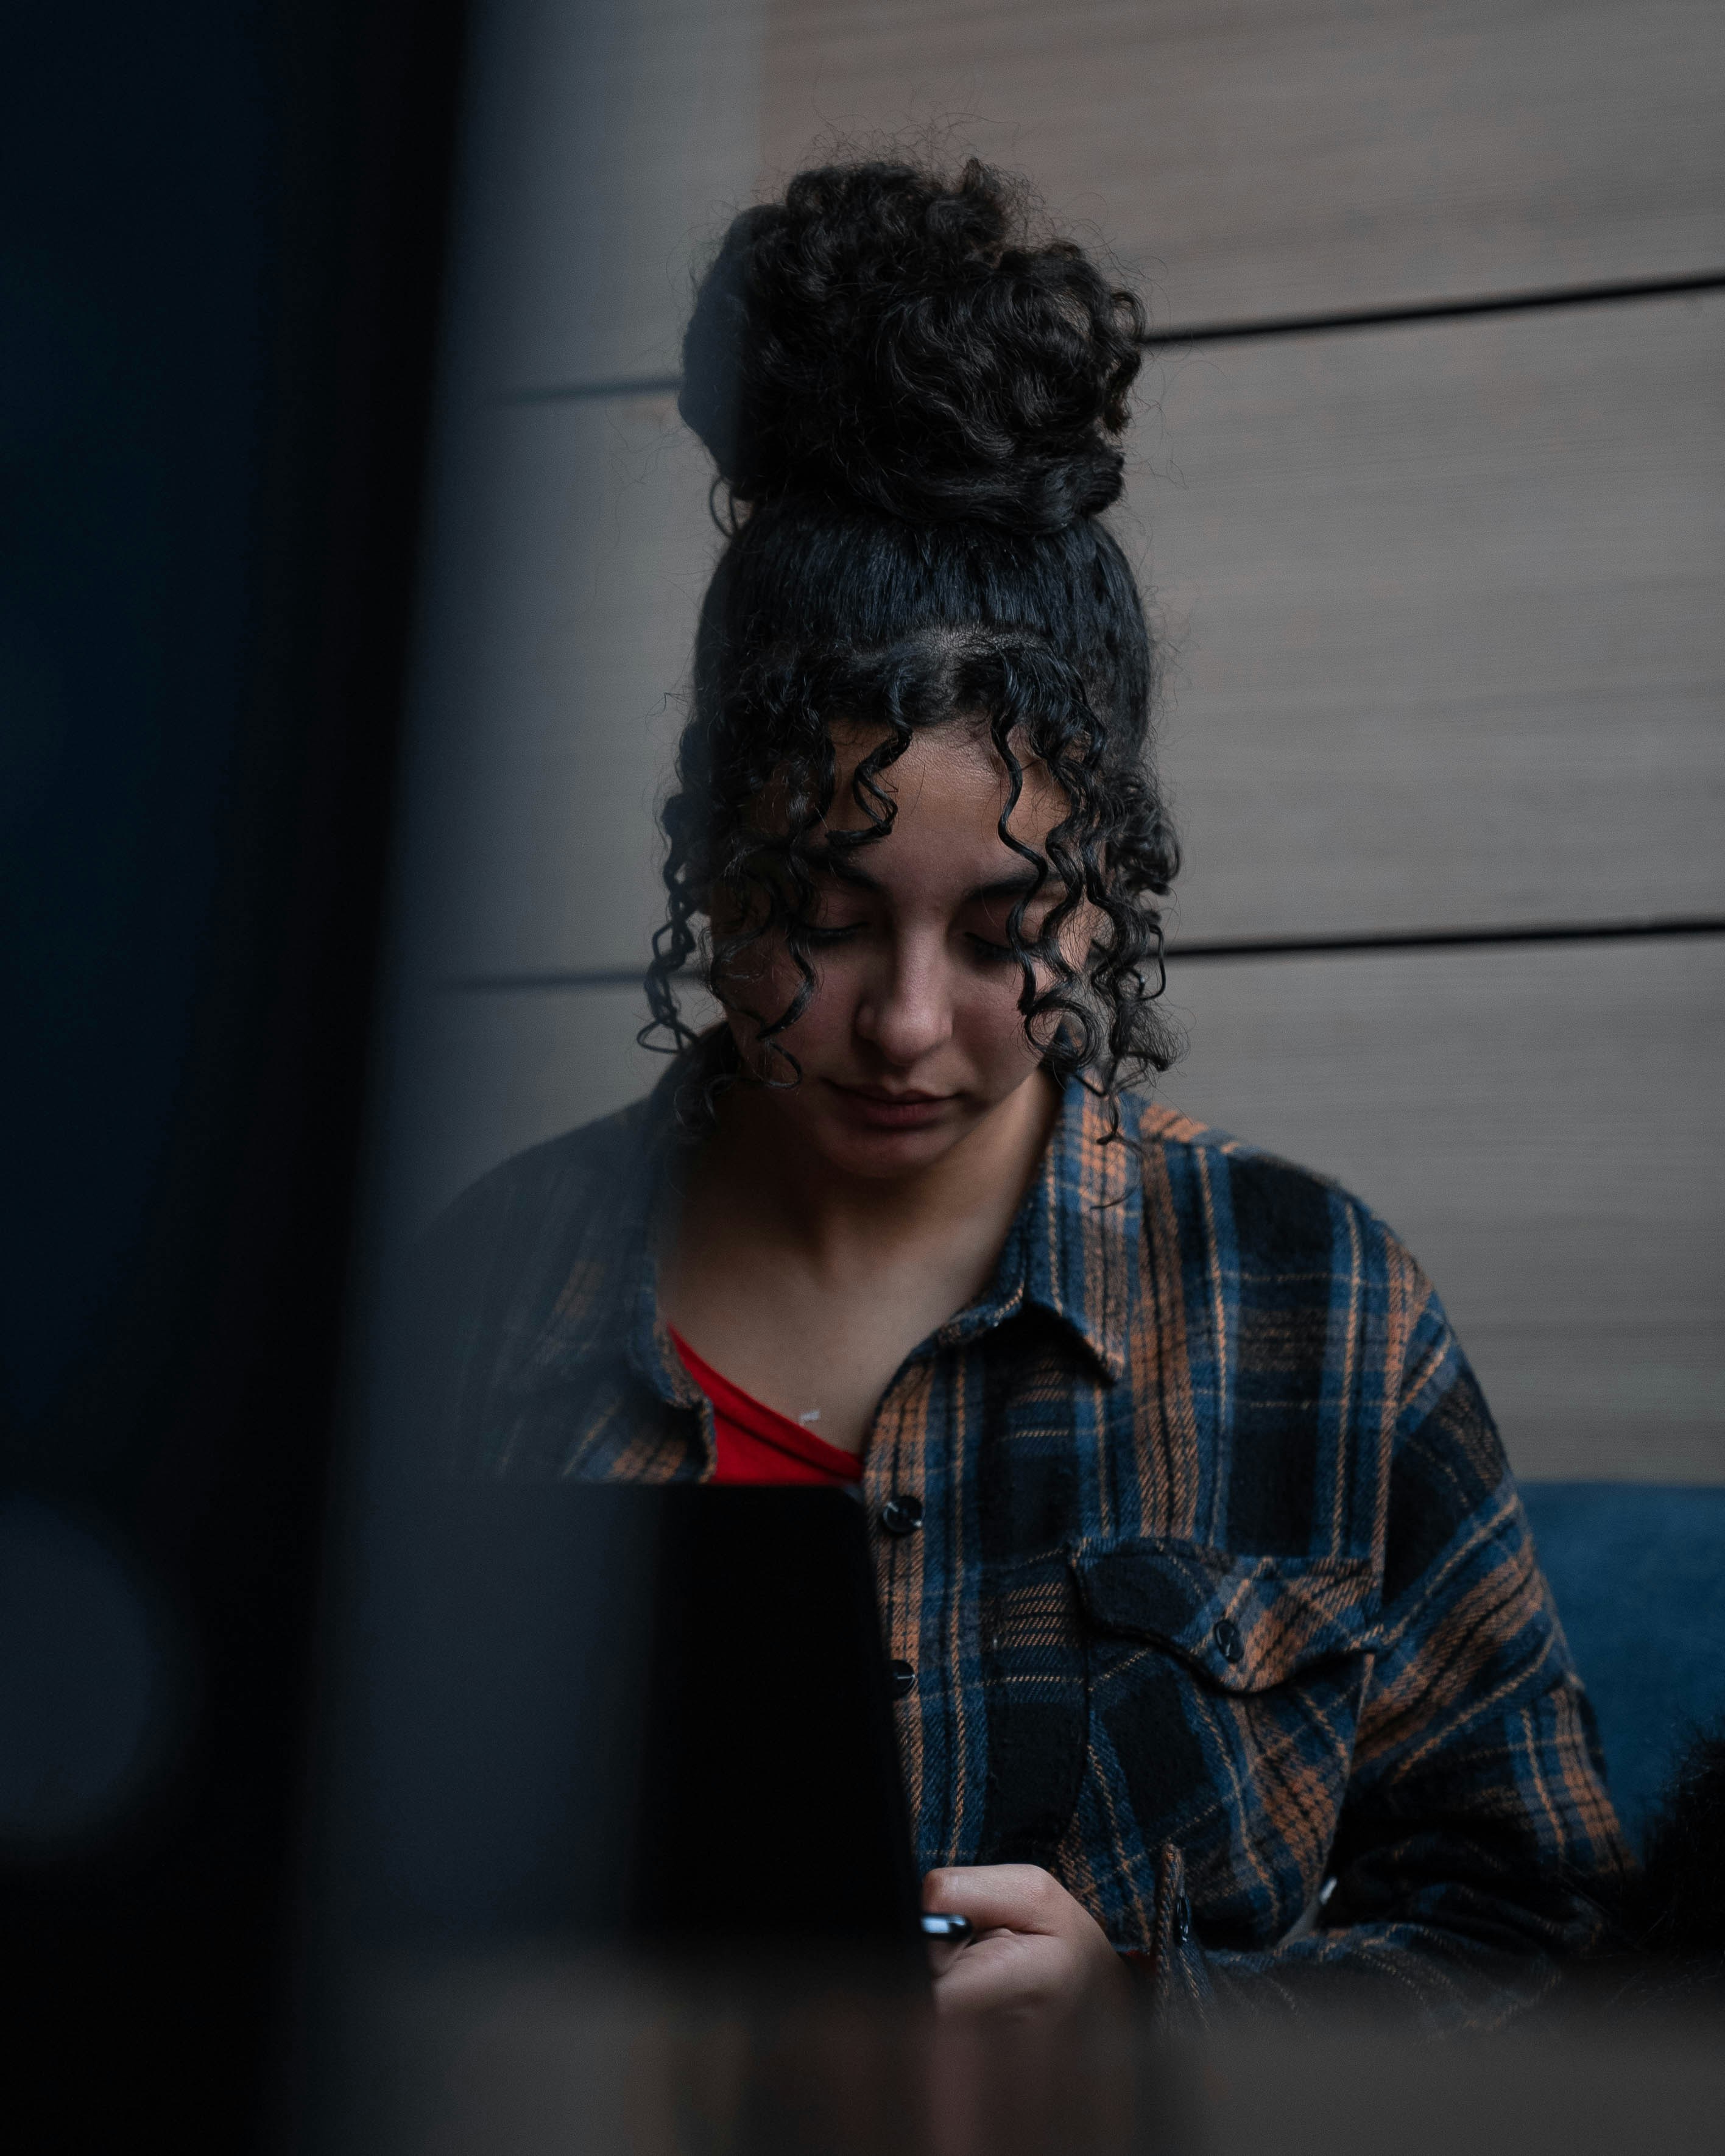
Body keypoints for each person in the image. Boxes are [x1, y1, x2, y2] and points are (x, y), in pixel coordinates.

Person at [414, 159, 1626, 2028]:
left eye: (1005, 932)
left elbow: (1547, 1940)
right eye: (819, 916)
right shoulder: (481, 1299)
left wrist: (1148, 2023)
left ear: (1112, 886)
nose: (907, 1024)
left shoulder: (1318, 1307)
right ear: (710, 869)